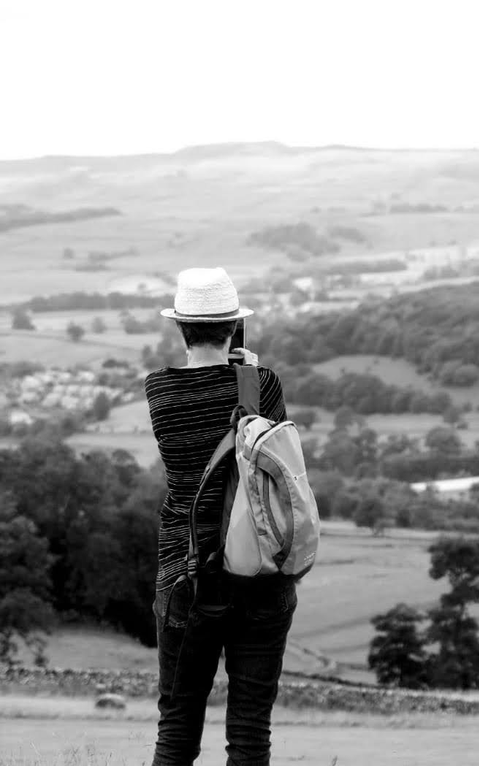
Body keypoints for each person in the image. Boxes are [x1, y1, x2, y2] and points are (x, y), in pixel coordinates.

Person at [144, 267, 297, 766]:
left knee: (177, 729)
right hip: (260, 574)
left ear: (181, 328)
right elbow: (273, 454)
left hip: (186, 572)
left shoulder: (159, 391)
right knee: (250, 733)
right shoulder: (262, 384)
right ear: (233, 326)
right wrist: (248, 376)